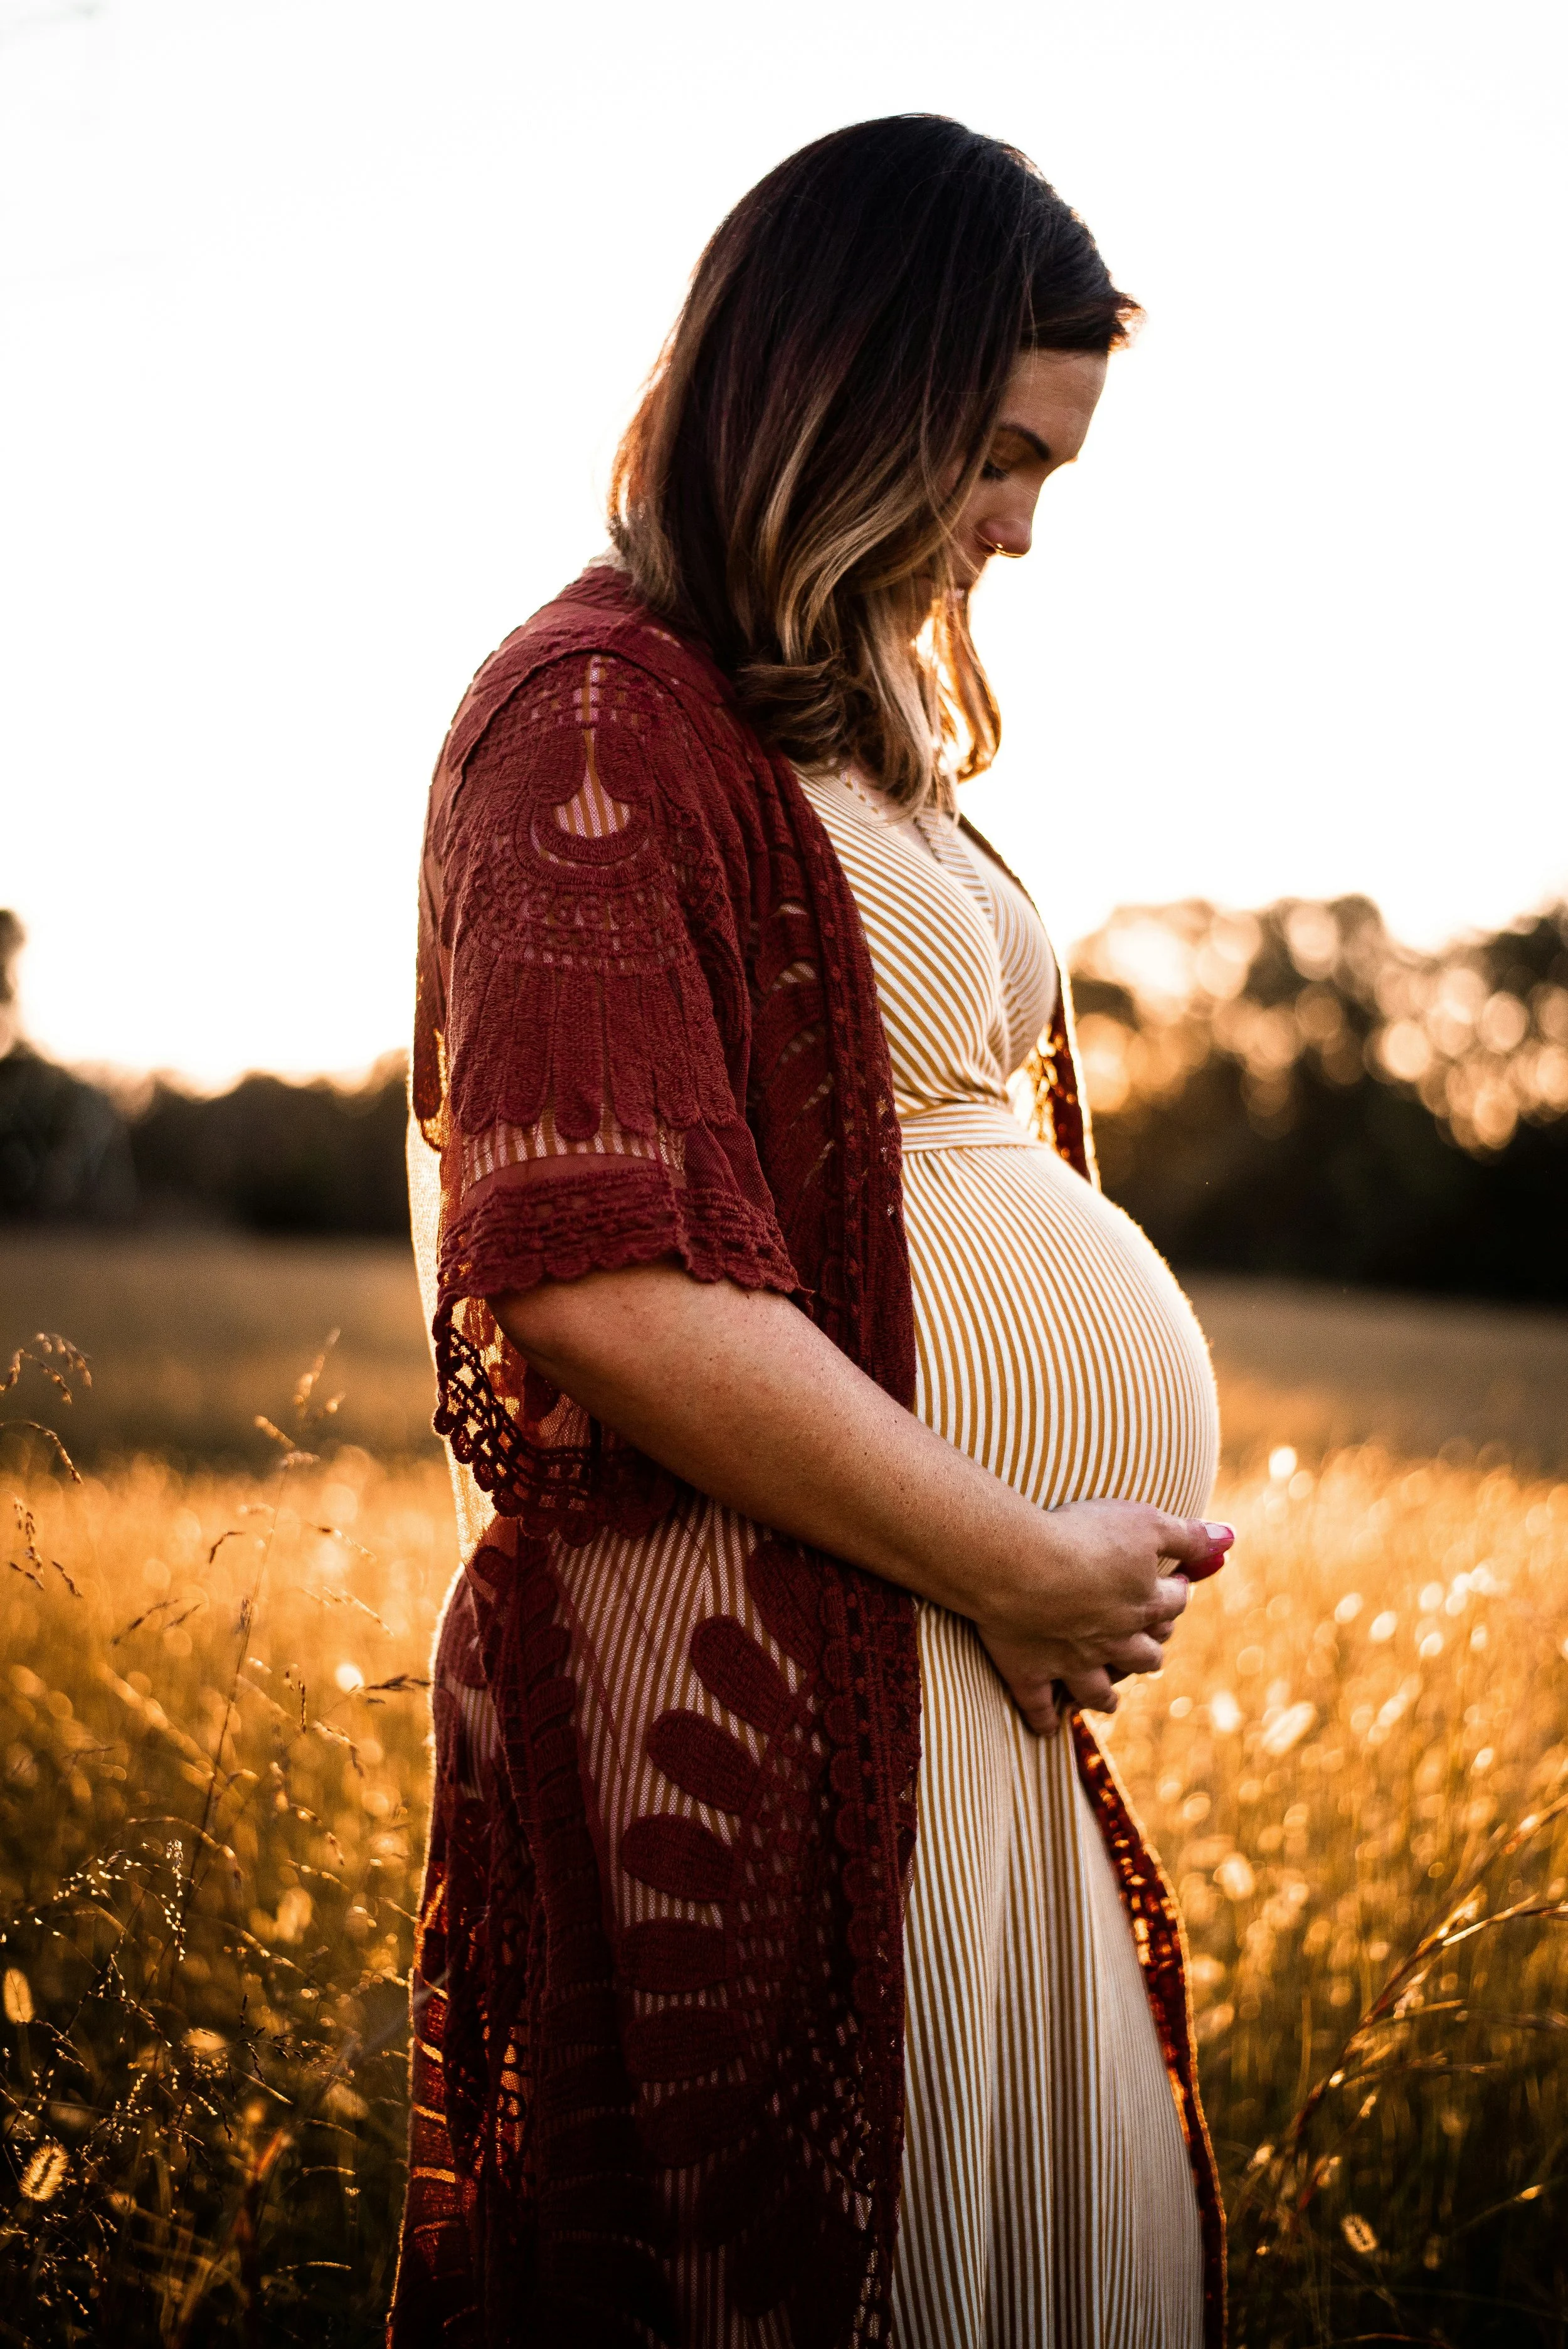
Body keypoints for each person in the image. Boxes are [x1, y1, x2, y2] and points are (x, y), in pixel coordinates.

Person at [392, 114, 1232, 2349]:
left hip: (950, 1667)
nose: (1024, 532)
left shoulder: (835, 721)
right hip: (803, 1668)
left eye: (1053, 471)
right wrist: (1002, 1552)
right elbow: (583, 1275)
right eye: (997, 454)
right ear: (840, 388)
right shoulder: (593, 720)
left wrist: (1027, 1572)